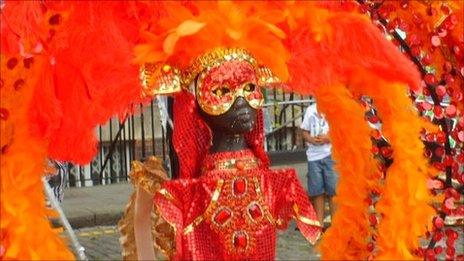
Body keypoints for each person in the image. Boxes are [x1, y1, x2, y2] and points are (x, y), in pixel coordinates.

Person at [133, 48, 321, 260]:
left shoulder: (276, 182)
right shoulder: (193, 192)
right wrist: (143, 208)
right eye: (222, 91)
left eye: (250, 87)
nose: (241, 102)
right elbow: (143, 226)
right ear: (197, 104)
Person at [300, 103, 338, 228]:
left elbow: (340, 131)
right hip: (314, 157)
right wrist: (310, 139)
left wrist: (329, 138)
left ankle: (335, 225)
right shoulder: (310, 110)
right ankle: (319, 225)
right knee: (317, 191)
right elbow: (304, 131)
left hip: (330, 155)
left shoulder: (334, 108)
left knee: (333, 191)